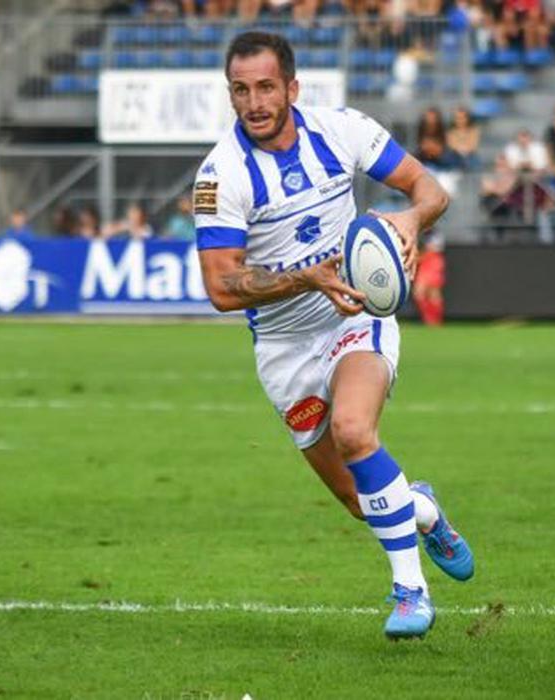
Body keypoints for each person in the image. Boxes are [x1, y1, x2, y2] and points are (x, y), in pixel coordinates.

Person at [193, 31, 474, 640]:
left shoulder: (342, 129)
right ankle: (423, 510)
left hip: (353, 316)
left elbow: (430, 189)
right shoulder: (221, 175)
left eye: (266, 87)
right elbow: (221, 287)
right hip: (283, 350)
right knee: (357, 499)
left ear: (292, 88)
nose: (254, 103)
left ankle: (410, 592)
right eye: (240, 90)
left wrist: (411, 218)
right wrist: (306, 278)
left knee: (353, 430)